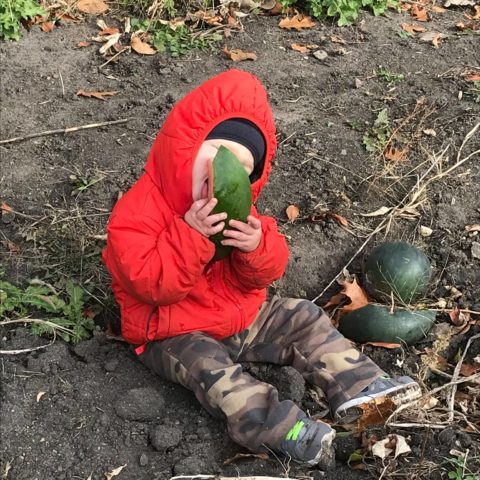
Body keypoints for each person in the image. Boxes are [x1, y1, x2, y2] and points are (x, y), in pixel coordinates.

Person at [102, 69, 421, 469]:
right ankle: (283, 431)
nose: (227, 169)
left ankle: (361, 385)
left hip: (242, 316)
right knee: (214, 373)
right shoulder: (137, 213)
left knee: (301, 315)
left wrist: (257, 247)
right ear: (186, 147)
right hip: (172, 330)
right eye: (218, 152)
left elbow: (263, 275)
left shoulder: (240, 210)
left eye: (243, 165)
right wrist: (191, 236)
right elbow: (152, 286)